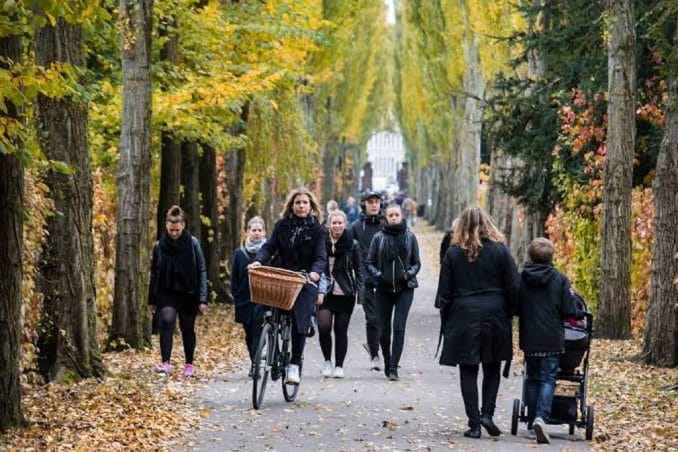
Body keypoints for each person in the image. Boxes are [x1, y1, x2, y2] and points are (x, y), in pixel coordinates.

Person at [435, 206, 518, 439]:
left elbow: (444, 292)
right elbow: (513, 285)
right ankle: (487, 414)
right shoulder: (500, 251)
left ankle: (474, 423)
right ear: (488, 223)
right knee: (492, 368)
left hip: (464, 316)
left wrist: (448, 317)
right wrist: (511, 312)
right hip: (495, 314)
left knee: (468, 370)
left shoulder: (453, 253)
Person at [250, 187, 327, 385]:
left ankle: (294, 363)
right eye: (297, 202)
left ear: (311, 206)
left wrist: (315, 272)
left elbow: (320, 256)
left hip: (304, 279)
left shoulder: (317, 230)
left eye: (305, 203)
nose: (301, 206)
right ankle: (267, 339)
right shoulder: (282, 226)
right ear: (291, 206)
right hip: (282, 275)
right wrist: (259, 260)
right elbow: (269, 247)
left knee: (300, 319)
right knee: (265, 301)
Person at [518, 237, 581, 444]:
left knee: (533, 378)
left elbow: (516, 305)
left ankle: (530, 423)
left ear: (531, 255)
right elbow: (570, 309)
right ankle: (541, 418)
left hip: (530, 338)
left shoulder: (523, 278)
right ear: (551, 256)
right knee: (548, 379)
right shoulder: (560, 280)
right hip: (552, 339)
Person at [149, 205, 208, 377]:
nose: (173, 233)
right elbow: (154, 273)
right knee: (166, 321)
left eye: (176, 230)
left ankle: (189, 364)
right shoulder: (159, 246)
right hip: (166, 291)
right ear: (166, 226)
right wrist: (152, 299)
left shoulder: (193, 243)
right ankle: (165, 363)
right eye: (170, 230)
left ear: (183, 225)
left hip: (189, 291)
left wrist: (203, 298)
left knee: (187, 327)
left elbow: (202, 269)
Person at [366, 203, 421, 381]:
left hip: (405, 288)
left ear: (401, 215)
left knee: (399, 327)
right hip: (383, 288)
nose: (394, 218)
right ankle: (387, 358)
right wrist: (379, 276)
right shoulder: (378, 238)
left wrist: (407, 275)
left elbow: (416, 263)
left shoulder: (410, 237)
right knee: (384, 329)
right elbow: (369, 262)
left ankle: (393, 367)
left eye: (397, 215)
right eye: (391, 215)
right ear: (386, 217)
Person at [318, 210, 364, 378]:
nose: (337, 226)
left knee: (340, 330)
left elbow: (359, 270)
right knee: (323, 328)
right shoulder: (321, 242)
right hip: (324, 292)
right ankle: (327, 362)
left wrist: (361, 294)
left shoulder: (353, 244)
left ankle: (339, 366)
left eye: (340, 223)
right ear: (328, 224)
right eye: (334, 223)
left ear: (345, 224)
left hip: (345, 293)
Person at [349, 190, 384, 370]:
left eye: (376, 202)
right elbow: (347, 249)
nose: (373, 205)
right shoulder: (355, 227)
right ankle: (375, 354)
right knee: (372, 317)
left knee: (383, 317)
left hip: (385, 278)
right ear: (364, 204)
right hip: (364, 278)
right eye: (370, 202)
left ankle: (379, 350)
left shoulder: (386, 224)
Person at [231, 216, 267, 377]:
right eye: (254, 230)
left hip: (263, 299)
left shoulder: (268, 253)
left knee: (257, 331)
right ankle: (254, 362)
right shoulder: (239, 254)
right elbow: (234, 278)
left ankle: (257, 364)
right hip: (244, 299)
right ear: (247, 232)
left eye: (260, 230)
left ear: (264, 232)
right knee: (248, 334)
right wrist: (237, 296)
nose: (257, 233)